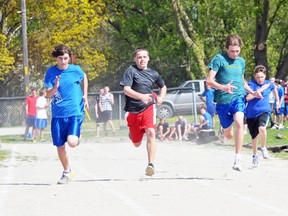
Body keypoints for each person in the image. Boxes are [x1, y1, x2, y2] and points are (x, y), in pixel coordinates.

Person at [206, 34, 260, 171]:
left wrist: (252, 92)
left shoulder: (241, 61)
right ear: (226, 48)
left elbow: (241, 80)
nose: (235, 54)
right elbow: (209, 81)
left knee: (239, 122)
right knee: (228, 135)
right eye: (232, 51)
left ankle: (238, 159)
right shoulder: (219, 59)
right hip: (223, 101)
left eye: (237, 51)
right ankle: (223, 131)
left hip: (238, 97)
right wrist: (223, 87)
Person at [44, 44, 89, 184]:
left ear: (69, 58)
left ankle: (76, 137)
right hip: (58, 114)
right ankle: (67, 171)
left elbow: (84, 77)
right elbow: (49, 94)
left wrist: (85, 95)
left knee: (72, 142)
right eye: (60, 58)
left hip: (74, 111)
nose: (63, 61)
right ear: (56, 59)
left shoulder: (75, 70)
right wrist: (56, 86)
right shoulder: (51, 72)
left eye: (65, 58)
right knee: (60, 146)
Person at [120, 47, 167, 176]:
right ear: (135, 59)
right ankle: (132, 134)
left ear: (148, 58)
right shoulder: (131, 71)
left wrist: (161, 98)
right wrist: (141, 96)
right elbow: (126, 89)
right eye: (139, 57)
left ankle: (150, 164)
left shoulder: (154, 73)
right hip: (133, 110)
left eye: (144, 57)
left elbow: (163, 87)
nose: (142, 59)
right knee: (136, 143)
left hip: (148, 107)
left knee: (151, 132)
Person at [245, 65, 279, 168]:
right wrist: (257, 93)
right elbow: (247, 98)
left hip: (264, 111)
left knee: (262, 128)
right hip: (251, 113)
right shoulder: (251, 84)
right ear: (255, 77)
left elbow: (275, 90)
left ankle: (263, 147)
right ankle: (255, 155)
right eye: (258, 77)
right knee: (254, 137)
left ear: (265, 76)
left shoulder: (269, 84)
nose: (260, 79)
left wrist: (277, 101)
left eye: (262, 77)